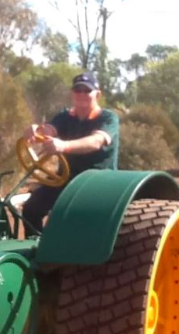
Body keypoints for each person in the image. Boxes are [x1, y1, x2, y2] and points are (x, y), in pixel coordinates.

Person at [21, 72, 120, 236]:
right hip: (65, 179)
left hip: (98, 183)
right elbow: (48, 131)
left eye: (86, 91)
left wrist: (64, 146)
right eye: (77, 90)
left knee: (63, 218)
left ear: (97, 94)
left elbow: (96, 141)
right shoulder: (65, 116)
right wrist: (35, 130)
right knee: (31, 209)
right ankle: (36, 249)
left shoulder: (108, 118)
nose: (81, 94)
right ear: (72, 93)